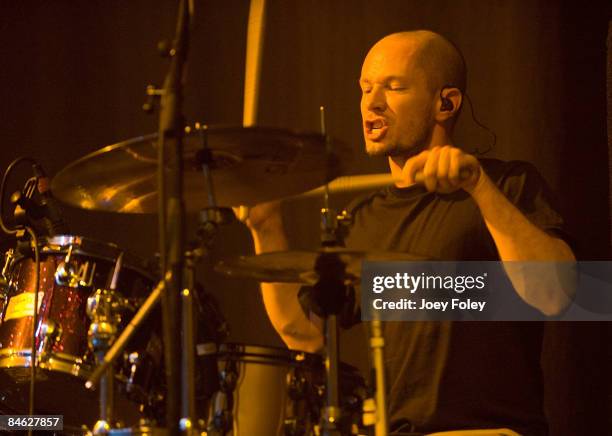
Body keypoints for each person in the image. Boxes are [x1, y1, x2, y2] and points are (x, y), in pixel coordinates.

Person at [241, 30, 575, 435]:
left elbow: (556, 294)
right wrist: (267, 228)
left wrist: (478, 186)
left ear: (445, 103)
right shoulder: (363, 220)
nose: (372, 103)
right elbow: (305, 335)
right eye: (365, 89)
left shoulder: (507, 184)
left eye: (393, 87)